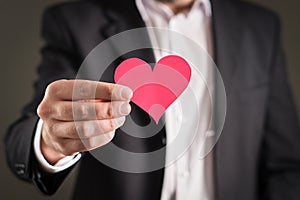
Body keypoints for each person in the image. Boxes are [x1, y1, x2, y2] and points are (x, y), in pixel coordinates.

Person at [5, 0, 300, 199]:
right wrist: (49, 140)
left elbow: (285, 162)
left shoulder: (260, 27)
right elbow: (24, 136)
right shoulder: (76, 20)